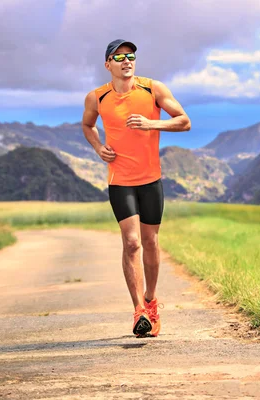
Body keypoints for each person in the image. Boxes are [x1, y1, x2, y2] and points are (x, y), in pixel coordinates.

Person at [82, 39, 191, 337]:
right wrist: (97, 147)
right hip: (120, 181)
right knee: (131, 243)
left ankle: (151, 300)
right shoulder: (96, 97)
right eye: (119, 57)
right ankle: (138, 312)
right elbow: (88, 125)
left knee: (151, 242)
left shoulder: (153, 89)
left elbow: (184, 121)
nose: (126, 61)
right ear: (108, 65)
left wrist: (151, 124)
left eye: (130, 56)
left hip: (151, 180)